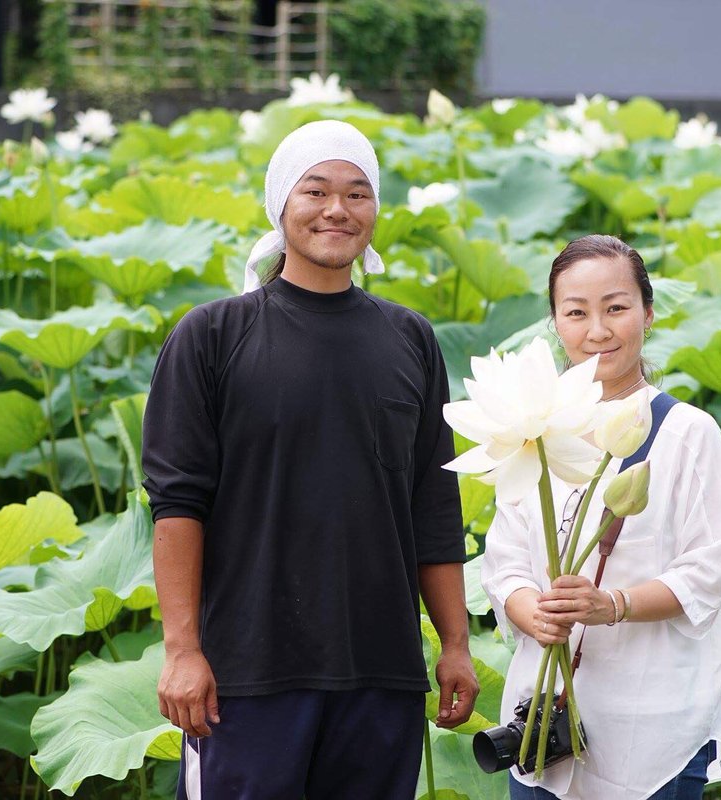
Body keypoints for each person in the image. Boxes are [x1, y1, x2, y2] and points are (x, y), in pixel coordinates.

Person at [142, 119, 478, 800]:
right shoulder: (212, 335)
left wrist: (455, 642)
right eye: (316, 190)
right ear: (281, 204)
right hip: (248, 673)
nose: (337, 210)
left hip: (381, 673)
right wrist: (183, 651)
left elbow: (432, 508)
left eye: (358, 194)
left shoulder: (410, 338)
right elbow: (178, 506)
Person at [480, 234, 721, 800]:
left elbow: (708, 573)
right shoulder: (534, 428)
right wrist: (534, 612)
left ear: (647, 313)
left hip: (651, 733)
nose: (597, 330)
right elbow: (503, 562)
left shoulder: (687, 433)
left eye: (616, 308)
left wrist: (611, 606)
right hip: (542, 730)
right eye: (576, 313)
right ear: (555, 323)